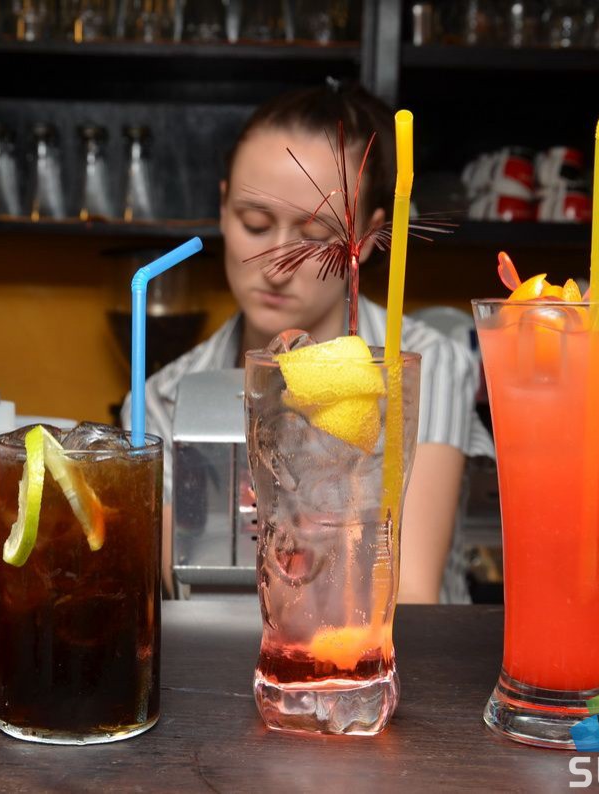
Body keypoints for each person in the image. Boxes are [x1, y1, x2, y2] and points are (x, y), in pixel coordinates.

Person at [122, 82, 493, 604]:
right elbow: (187, 595)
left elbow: (410, 592)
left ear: (367, 238)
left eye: (315, 235)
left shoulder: (425, 365)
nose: (277, 264)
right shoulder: (162, 399)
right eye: (255, 224)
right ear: (224, 207)